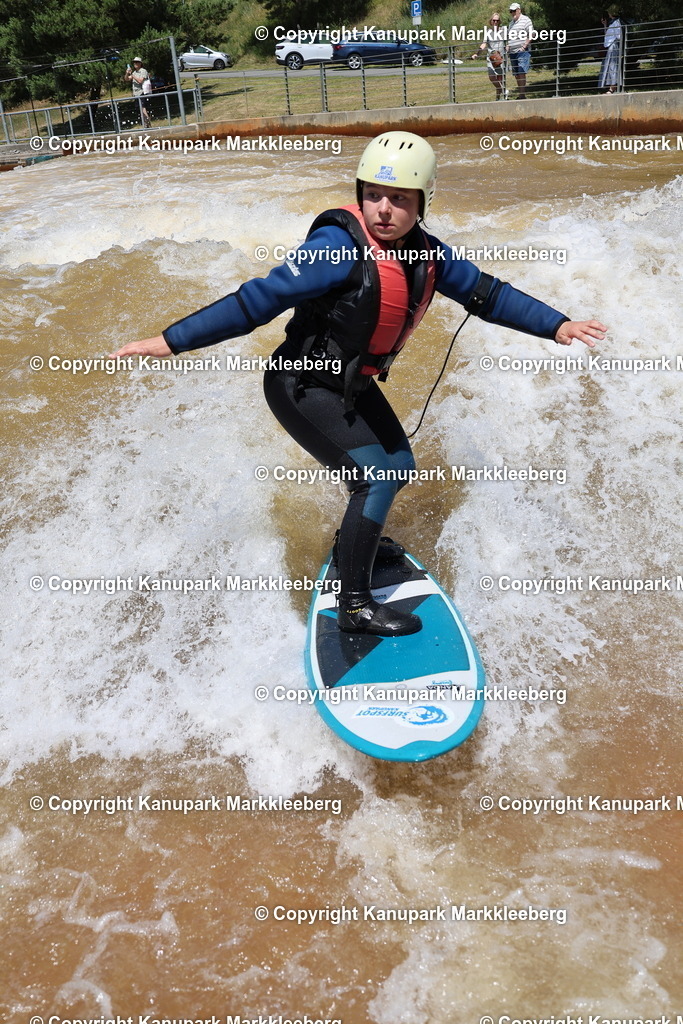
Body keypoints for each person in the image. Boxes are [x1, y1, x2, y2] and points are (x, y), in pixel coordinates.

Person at [109, 132, 606, 637]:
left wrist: (557, 325)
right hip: (300, 385)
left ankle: (354, 538)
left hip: (349, 384)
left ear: (422, 203)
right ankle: (354, 606)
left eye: (400, 200)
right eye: (373, 195)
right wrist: (170, 341)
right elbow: (256, 301)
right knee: (377, 475)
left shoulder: (428, 256)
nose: (384, 210)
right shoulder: (336, 248)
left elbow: (490, 296)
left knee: (399, 464)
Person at [471, 14, 506, 100]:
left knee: (500, 78)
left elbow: (508, 41)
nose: (495, 22)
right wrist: (477, 53)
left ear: (499, 22)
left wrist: (508, 48)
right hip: (491, 58)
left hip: (501, 57)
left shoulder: (503, 30)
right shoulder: (488, 32)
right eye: (494, 20)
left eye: (497, 21)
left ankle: (498, 98)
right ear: (491, 21)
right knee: (492, 77)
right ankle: (503, 91)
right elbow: (484, 44)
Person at [507, 2, 533, 99]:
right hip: (512, 52)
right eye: (511, 11)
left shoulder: (526, 20)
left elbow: (531, 34)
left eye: (514, 11)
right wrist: (508, 46)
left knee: (521, 71)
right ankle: (521, 94)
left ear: (519, 10)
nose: (512, 13)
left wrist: (525, 45)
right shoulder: (511, 23)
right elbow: (510, 37)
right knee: (516, 73)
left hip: (522, 51)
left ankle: (522, 94)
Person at [598, 10, 622, 93]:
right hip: (610, 46)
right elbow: (608, 35)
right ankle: (612, 87)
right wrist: (605, 25)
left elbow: (618, 36)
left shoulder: (617, 23)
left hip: (613, 46)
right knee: (609, 66)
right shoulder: (612, 23)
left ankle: (613, 88)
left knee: (612, 66)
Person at [125, 57, 151, 129]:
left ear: (140, 63)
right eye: (134, 62)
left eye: (137, 62)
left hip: (142, 92)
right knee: (140, 109)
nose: (135, 64)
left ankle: (147, 125)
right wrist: (127, 73)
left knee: (143, 108)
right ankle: (146, 124)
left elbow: (140, 81)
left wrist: (133, 76)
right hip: (136, 94)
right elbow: (127, 79)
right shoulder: (134, 72)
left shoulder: (143, 71)